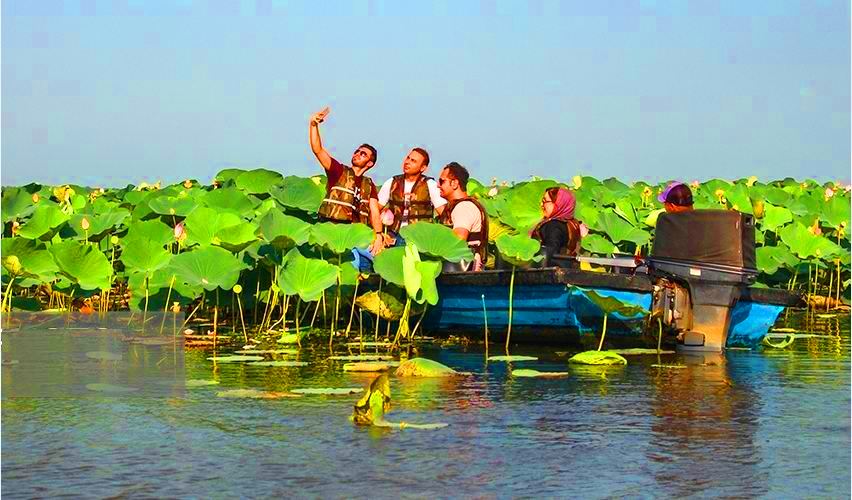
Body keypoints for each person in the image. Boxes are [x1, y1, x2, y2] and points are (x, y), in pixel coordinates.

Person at [308, 106, 384, 257]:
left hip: (356, 234)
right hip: (333, 231)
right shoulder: (338, 171)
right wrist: (313, 125)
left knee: (379, 256)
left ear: (370, 163)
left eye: (363, 154)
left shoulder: (369, 185)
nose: (357, 154)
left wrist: (379, 235)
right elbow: (318, 150)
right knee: (352, 261)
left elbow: (375, 212)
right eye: (357, 151)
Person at [375, 147, 447, 243]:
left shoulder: (430, 184)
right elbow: (375, 209)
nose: (407, 162)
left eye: (413, 161)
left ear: (423, 168)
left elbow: (443, 212)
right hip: (393, 235)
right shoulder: (392, 182)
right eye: (408, 158)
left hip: (420, 237)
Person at [437, 162, 488, 271]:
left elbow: (458, 240)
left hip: (462, 273)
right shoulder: (460, 206)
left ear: (455, 183)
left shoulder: (464, 207)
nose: (438, 185)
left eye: (442, 181)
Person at [529, 187, 586, 264]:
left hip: (549, 272)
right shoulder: (573, 224)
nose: (541, 205)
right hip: (569, 269)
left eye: (545, 201)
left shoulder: (553, 225)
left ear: (557, 204)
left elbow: (551, 251)